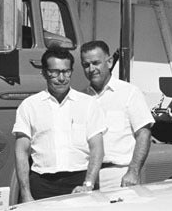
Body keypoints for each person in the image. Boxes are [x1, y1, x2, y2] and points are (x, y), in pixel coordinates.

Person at [12, 46, 105, 202]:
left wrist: (88, 184)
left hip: (79, 184)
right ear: (44, 73)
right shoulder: (29, 106)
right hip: (42, 185)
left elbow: (97, 148)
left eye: (66, 71)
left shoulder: (88, 104)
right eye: (55, 72)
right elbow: (21, 152)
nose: (62, 78)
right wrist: (26, 193)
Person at [80, 40, 154, 191]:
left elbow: (143, 134)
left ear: (109, 62)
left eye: (96, 63)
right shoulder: (80, 98)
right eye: (86, 65)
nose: (91, 69)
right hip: (87, 176)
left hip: (118, 175)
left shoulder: (129, 93)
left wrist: (133, 172)